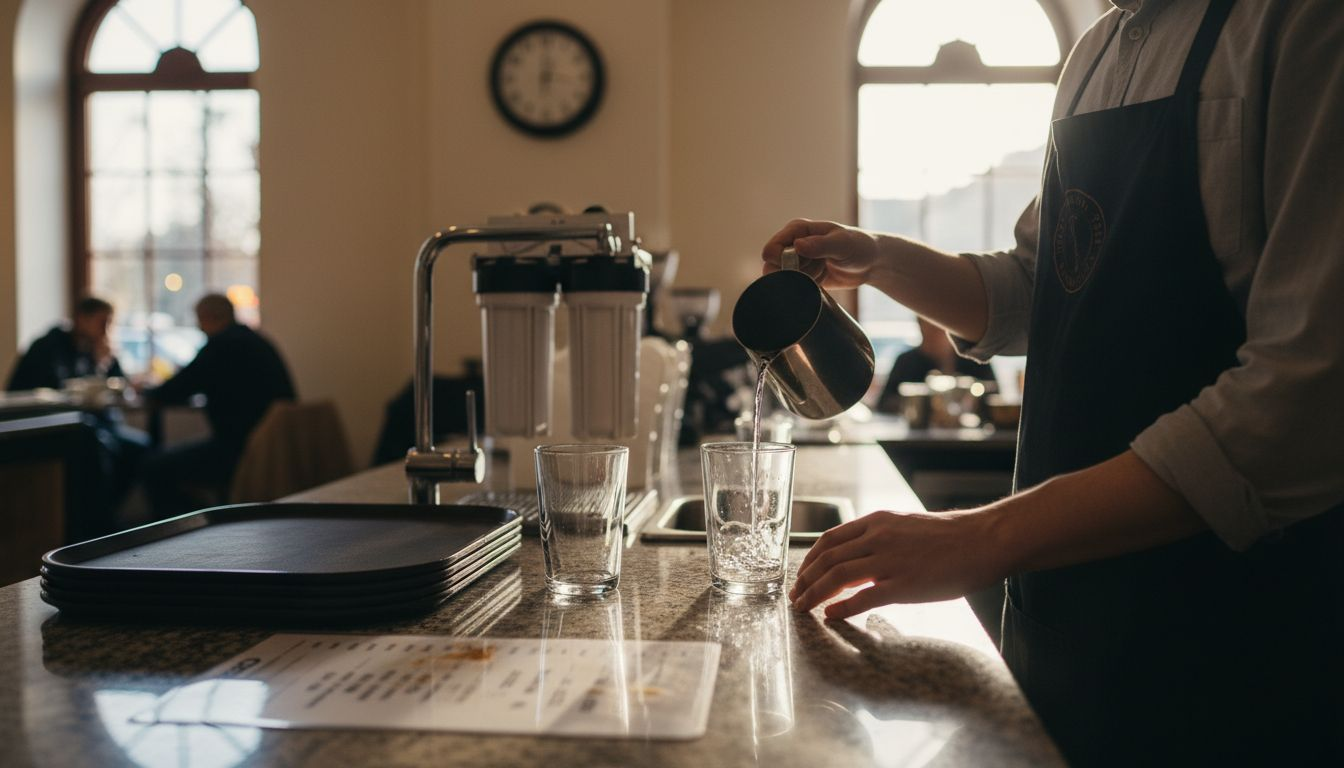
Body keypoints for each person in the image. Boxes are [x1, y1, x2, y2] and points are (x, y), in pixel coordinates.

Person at [768, 1, 1343, 764]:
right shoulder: (1095, 53)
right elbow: (1042, 288)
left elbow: (1300, 403)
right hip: (1065, 613)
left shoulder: (1303, 25)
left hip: (1230, 630)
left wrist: (986, 534)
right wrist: (880, 259)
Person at [141, 293, 296, 518]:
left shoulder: (222, 345)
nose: (199, 327)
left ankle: (190, 527)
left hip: (239, 449)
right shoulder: (257, 340)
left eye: (199, 320)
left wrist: (147, 392)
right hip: (264, 445)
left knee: (153, 467)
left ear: (209, 317)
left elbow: (177, 389)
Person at [875, 316, 994, 413]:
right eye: (930, 327)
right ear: (920, 327)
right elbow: (883, 403)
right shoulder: (906, 361)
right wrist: (925, 403)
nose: (935, 333)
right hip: (918, 436)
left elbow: (994, 397)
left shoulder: (975, 358)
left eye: (939, 328)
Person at [6, 296, 122, 391]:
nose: (105, 331)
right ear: (81, 319)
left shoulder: (92, 349)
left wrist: (102, 364)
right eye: (101, 323)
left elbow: (120, 382)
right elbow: (61, 389)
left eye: (109, 324)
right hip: (36, 414)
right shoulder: (49, 347)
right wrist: (96, 365)